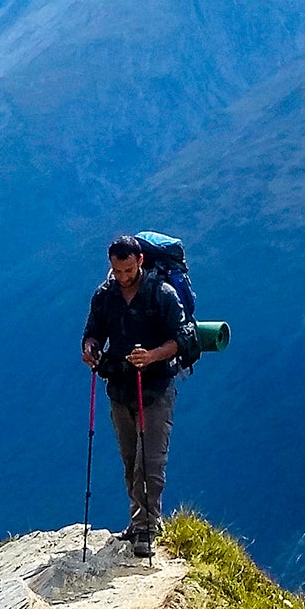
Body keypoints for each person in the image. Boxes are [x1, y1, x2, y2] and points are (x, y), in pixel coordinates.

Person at [81, 235, 190, 558]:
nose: (123, 277)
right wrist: (90, 348)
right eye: (117, 271)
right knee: (131, 461)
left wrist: (153, 356)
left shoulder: (162, 294)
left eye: (128, 270)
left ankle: (147, 528)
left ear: (140, 261)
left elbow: (184, 337)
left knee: (150, 462)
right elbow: (93, 331)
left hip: (155, 388)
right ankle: (138, 520)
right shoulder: (105, 296)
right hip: (120, 386)